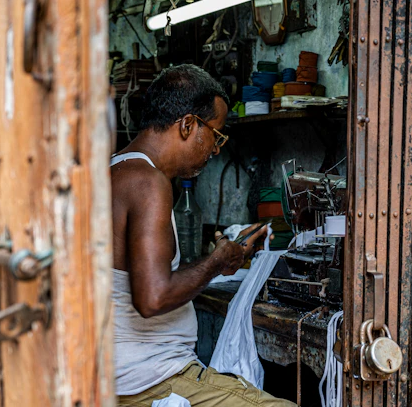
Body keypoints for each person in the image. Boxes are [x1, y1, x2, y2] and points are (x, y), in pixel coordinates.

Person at [111, 64, 295, 407]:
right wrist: (216, 262)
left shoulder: (113, 170)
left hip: (119, 376)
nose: (216, 149)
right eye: (217, 135)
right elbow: (152, 297)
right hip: (152, 380)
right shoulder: (149, 183)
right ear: (187, 125)